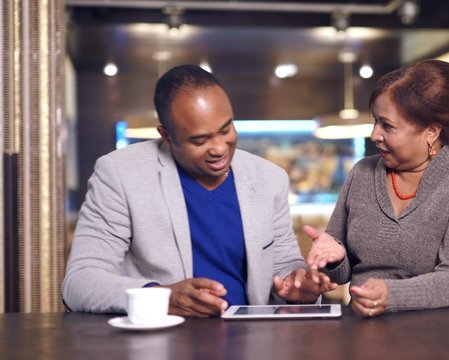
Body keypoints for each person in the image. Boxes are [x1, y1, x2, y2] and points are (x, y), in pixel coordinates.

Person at [62, 64, 336, 317]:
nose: (219, 148)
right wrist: (162, 297)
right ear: (166, 136)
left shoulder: (269, 178)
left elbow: (284, 267)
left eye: (225, 129)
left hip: (252, 341)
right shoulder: (120, 174)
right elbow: (80, 282)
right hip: (163, 342)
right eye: (199, 140)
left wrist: (300, 287)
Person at [305, 59, 449, 317]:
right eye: (375, 121)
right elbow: (341, 273)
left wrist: (391, 295)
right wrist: (335, 259)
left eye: (387, 125)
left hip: (448, 333)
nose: (375, 134)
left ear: (431, 131)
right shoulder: (362, 173)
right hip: (365, 329)